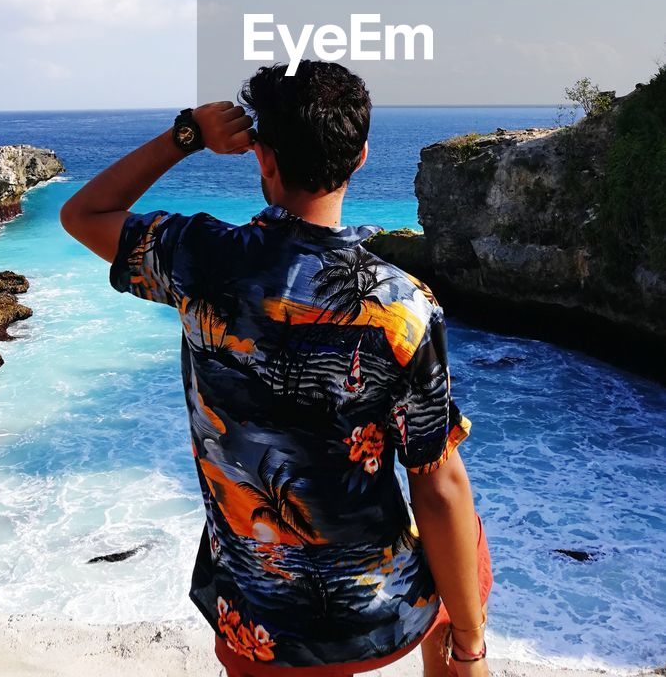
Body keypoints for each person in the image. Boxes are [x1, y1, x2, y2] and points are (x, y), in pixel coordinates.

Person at [60, 61, 492, 677]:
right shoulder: (402, 308)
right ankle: (450, 662)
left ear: (262, 158)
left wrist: (187, 135)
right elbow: (436, 483)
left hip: (257, 622)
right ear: (362, 156)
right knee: (462, 527)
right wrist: (471, 643)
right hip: (379, 614)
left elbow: (83, 214)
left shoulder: (200, 258)